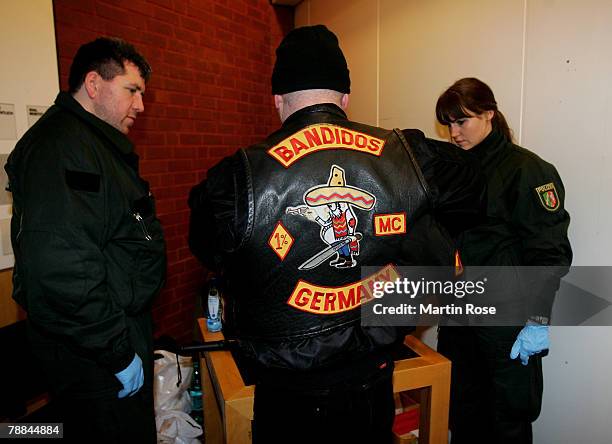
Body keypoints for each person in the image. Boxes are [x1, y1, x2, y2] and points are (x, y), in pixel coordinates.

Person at [189, 25, 484, 444]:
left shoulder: (240, 177)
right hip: (372, 379)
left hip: (286, 392)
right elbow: (474, 194)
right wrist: (416, 230)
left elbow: (208, 251)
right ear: (345, 97)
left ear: (278, 100)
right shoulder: (409, 155)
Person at [5, 37, 166, 443]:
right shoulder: (62, 149)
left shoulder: (92, 144)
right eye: (132, 91)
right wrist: (117, 352)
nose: (140, 106)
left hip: (109, 341)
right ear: (93, 84)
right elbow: (63, 270)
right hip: (95, 357)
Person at [435, 77, 572, 444]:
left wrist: (538, 320)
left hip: (505, 326)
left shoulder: (526, 171)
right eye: (448, 124)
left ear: (490, 114)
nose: (454, 132)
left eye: (461, 121)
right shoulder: (456, 173)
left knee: (506, 421)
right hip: (458, 320)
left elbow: (548, 253)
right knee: (461, 415)